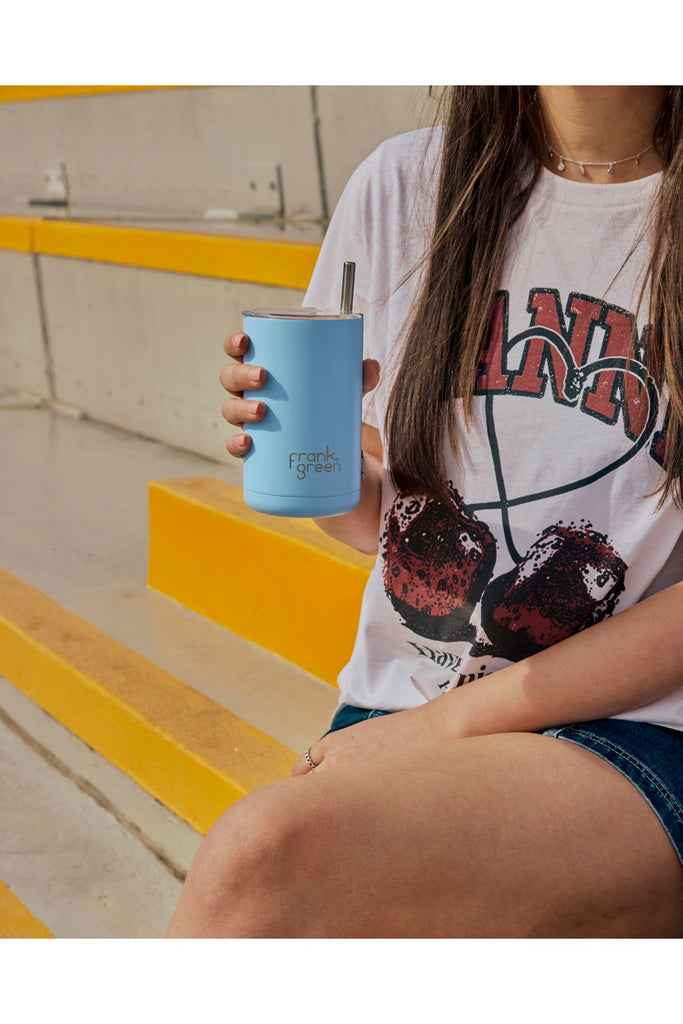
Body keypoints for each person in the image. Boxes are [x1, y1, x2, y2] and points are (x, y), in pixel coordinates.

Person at [166, 86, 683, 938]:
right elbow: (391, 530)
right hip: (401, 705)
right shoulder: (406, 185)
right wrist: (300, 453)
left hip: (635, 724)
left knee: (259, 863)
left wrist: (439, 727)